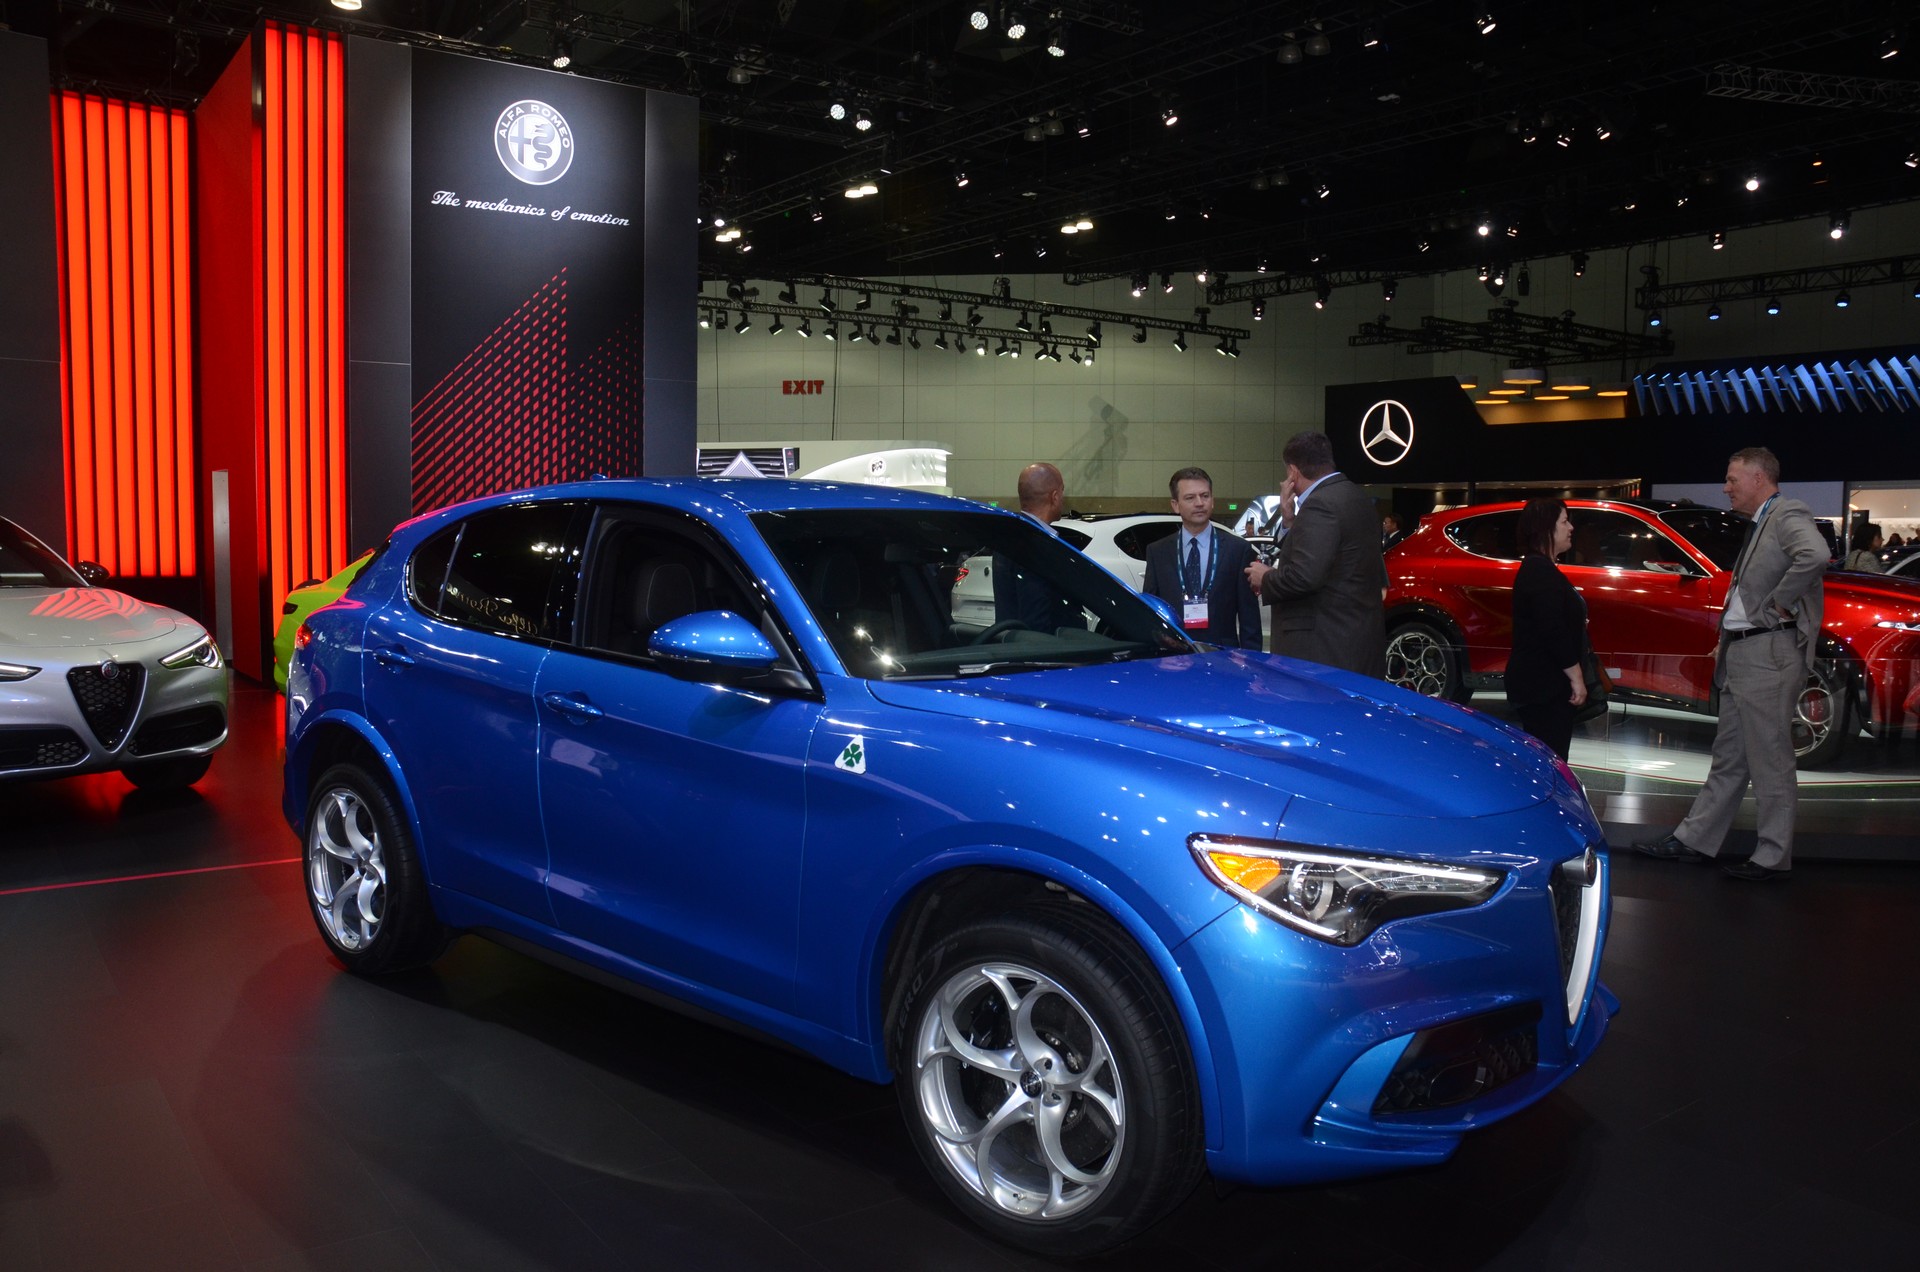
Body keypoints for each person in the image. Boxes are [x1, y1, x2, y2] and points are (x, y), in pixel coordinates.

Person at [1635, 447, 1827, 881]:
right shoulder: (1763, 522)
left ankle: (1773, 857)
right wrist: (1731, 637)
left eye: (1732, 479)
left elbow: (1814, 556)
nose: (1726, 488)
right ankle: (1695, 839)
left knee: (1770, 760)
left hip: (1768, 656)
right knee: (1730, 758)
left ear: (1759, 479)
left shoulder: (1787, 512)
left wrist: (1781, 600)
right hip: (1747, 652)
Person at [1244, 430, 1388, 677]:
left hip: (1322, 650)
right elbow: (1333, 557)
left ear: (1293, 472)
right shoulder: (1355, 497)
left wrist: (1265, 577)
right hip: (1356, 642)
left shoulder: (1320, 504)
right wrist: (1290, 522)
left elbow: (1305, 577)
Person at [1141, 467, 1264, 649]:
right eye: (1190, 498)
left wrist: (1252, 664)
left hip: (1224, 657)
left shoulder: (1238, 550)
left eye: (1205, 496)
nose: (1199, 503)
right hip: (1174, 658)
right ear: (1175, 505)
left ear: (1212, 501)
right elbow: (1152, 612)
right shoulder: (1158, 552)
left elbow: (1249, 619)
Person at [1504, 499, 1588, 759]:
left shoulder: (1541, 568)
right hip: (1543, 688)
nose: (1570, 527)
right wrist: (1577, 677)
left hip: (1543, 686)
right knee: (1550, 762)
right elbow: (1552, 629)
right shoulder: (1539, 570)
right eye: (1564, 521)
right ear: (1545, 529)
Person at [992, 462, 1083, 634]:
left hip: (1014, 646)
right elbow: (1036, 615)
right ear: (1054, 496)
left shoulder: (1009, 537)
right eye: (1062, 492)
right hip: (1045, 650)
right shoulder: (1037, 543)